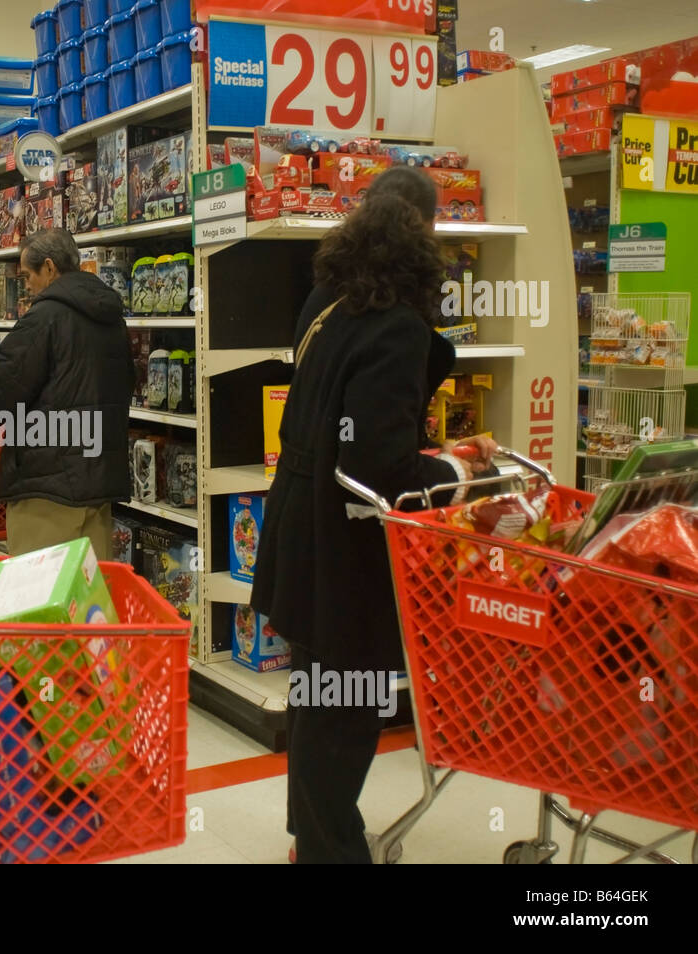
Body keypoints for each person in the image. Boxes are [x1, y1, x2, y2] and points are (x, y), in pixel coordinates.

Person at [250, 167, 499, 864]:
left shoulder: (327, 300)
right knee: (346, 712)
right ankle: (333, 852)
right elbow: (375, 469)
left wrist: (431, 451)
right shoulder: (399, 330)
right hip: (344, 548)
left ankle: (310, 840)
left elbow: (345, 428)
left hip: (299, 523)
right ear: (425, 236)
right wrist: (459, 471)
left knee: (316, 697)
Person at [0, 229, 133, 558]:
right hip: (98, 483)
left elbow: (4, 397)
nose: (26, 285)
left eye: (28, 275)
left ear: (49, 268)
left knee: (38, 599)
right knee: (87, 598)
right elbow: (127, 382)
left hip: (47, 488)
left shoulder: (43, 319)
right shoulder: (111, 319)